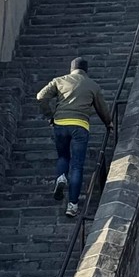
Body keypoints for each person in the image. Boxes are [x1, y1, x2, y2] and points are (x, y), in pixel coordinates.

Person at [37, 57, 113, 218]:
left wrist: (50, 115)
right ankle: (72, 205)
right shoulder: (93, 85)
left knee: (63, 157)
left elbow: (41, 96)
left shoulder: (59, 81)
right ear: (86, 70)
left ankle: (61, 177)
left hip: (60, 123)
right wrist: (109, 123)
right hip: (80, 126)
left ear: (72, 69)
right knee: (77, 165)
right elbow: (102, 108)